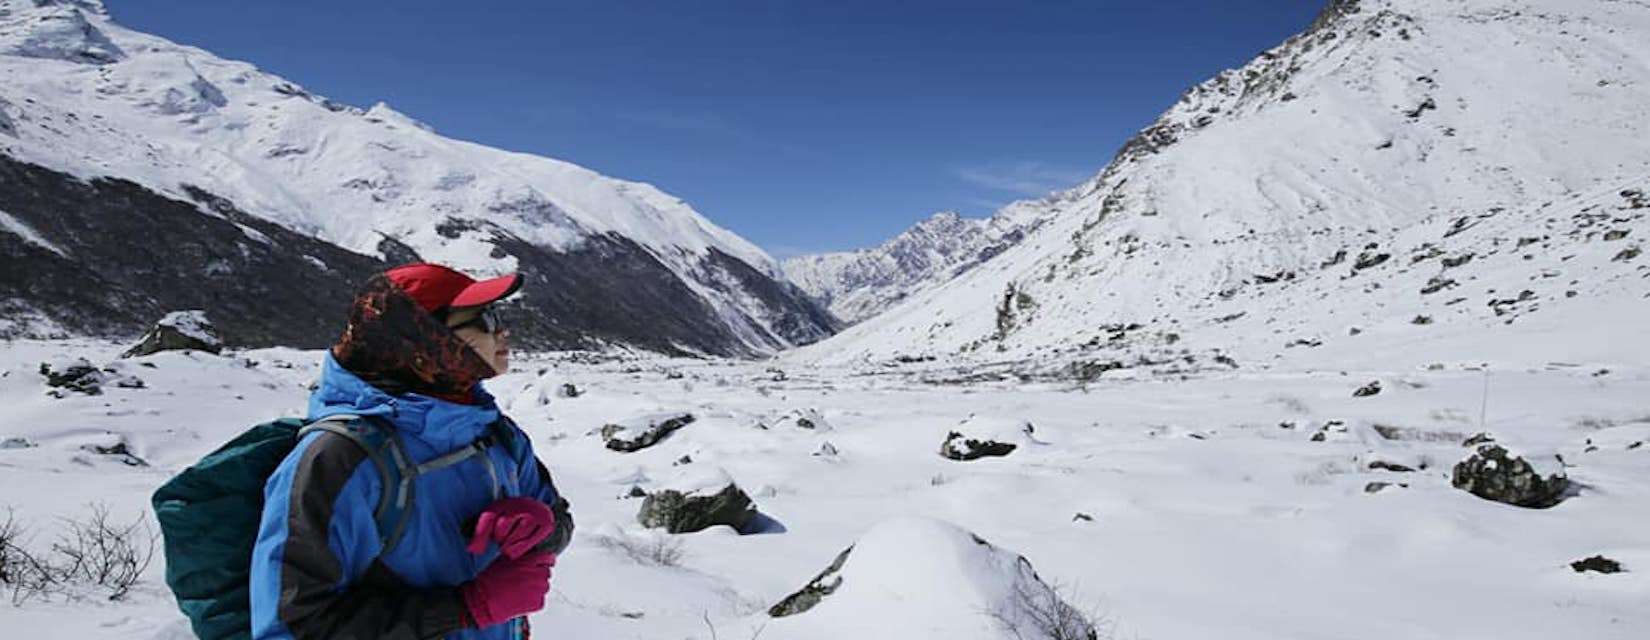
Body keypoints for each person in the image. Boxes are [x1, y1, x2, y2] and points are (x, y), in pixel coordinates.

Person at [250, 263, 572, 640]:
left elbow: (560, 523)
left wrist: (543, 526)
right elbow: (294, 626)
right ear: (422, 337)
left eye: (497, 315)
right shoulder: (341, 460)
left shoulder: (494, 433)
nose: (502, 331)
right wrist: (465, 609)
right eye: (483, 319)